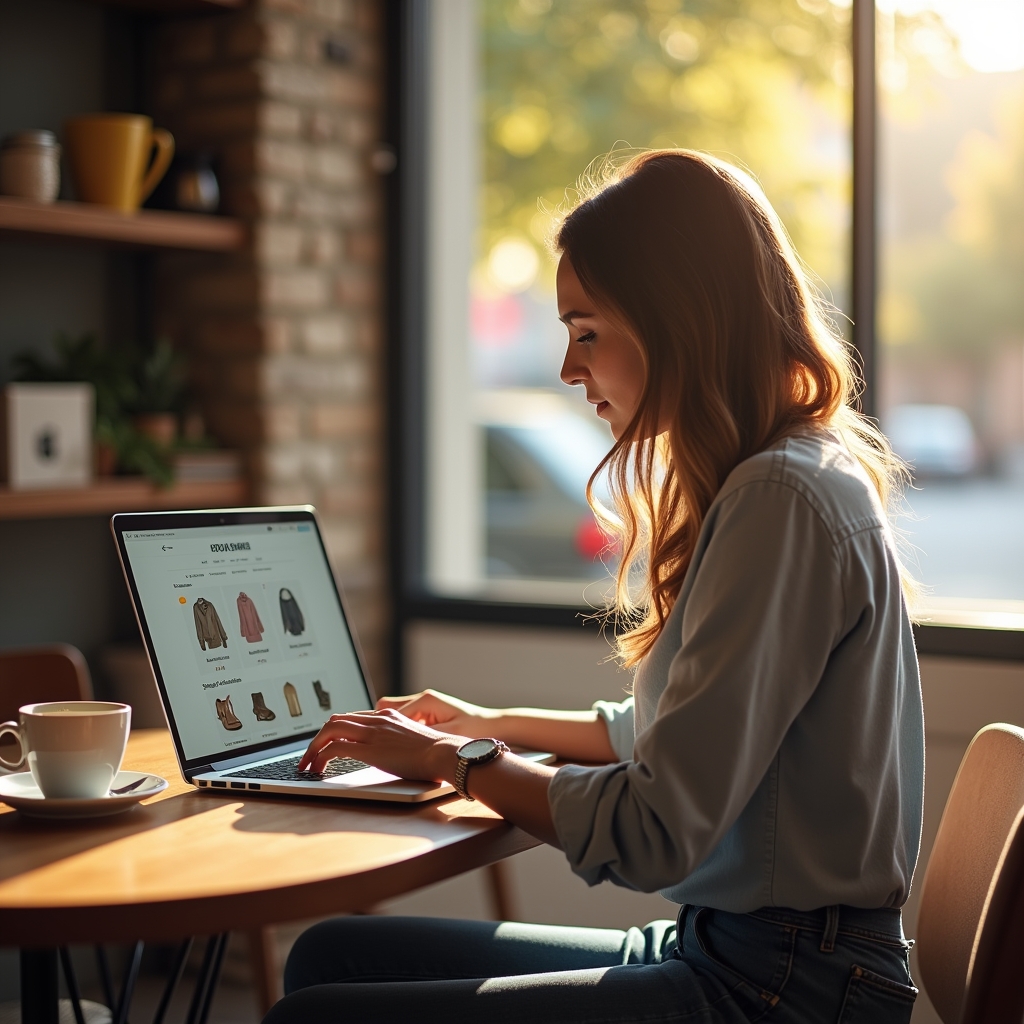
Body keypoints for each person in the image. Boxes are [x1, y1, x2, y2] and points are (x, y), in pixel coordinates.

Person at [263, 150, 924, 1024]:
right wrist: (485, 724)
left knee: (314, 1015)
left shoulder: (780, 498)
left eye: (586, 332)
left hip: (781, 989)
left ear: (678, 321)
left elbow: (657, 825)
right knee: (330, 952)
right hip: (742, 949)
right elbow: (672, 736)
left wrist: (451, 761)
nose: (570, 371)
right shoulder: (778, 479)